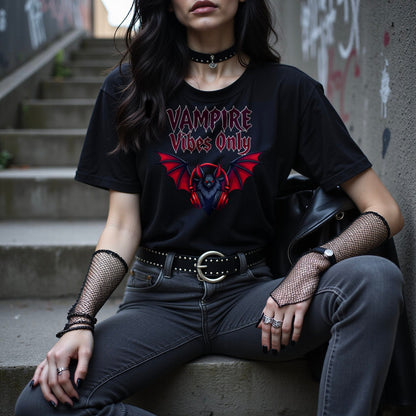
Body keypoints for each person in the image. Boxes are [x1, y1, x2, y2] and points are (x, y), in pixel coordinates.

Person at [15, 0, 408, 415]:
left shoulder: (288, 91)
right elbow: (121, 227)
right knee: (40, 405)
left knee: (375, 278)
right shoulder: (128, 89)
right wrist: (80, 320)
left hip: (253, 299)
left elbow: (384, 210)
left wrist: (313, 264)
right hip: (159, 300)